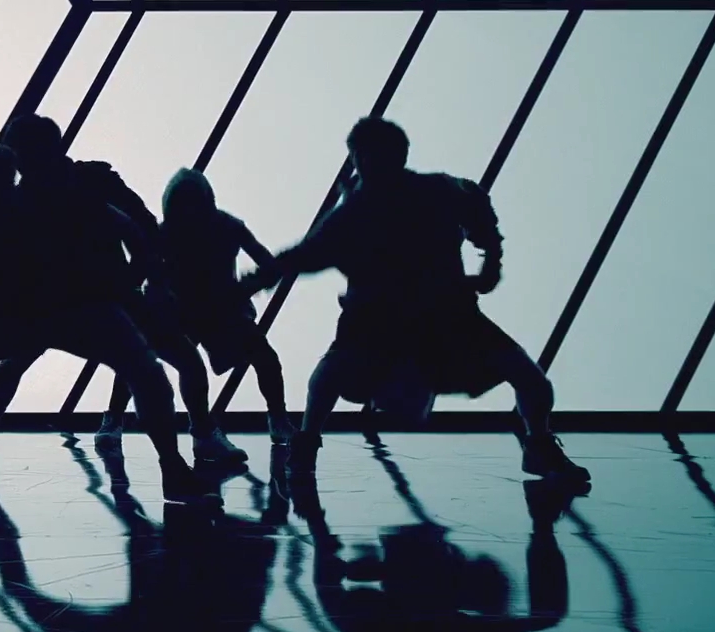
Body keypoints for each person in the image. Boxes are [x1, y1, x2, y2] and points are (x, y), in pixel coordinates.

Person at [244, 117, 589, 487]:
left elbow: (305, 255)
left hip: (393, 317)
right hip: (439, 314)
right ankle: (538, 444)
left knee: (330, 375)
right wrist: (491, 260)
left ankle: (306, 443)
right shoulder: (434, 192)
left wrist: (256, 280)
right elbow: (478, 207)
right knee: (528, 379)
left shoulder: (362, 209)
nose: (366, 164)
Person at [0, 141, 211, 509]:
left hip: (13, 314)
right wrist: (127, 286)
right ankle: (172, 467)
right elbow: (126, 228)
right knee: (147, 373)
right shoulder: (45, 203)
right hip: (64, 308)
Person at [0, 116, 244, 470]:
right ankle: (197, 439)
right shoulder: (92, 181)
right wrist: (143, 278)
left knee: (14, 364)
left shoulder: (26, 196)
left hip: (58, 299)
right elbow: (141, 223)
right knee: (183, 361)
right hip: (101, 296)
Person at [94, 168, 292, 446]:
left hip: (187, 310)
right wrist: (250, 285)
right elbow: (269, 265)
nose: (190, 212)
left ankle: (115, 419)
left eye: (193, 203)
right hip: (216, 310)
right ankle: (274, 419)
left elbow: (142, 270)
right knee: (263, 357)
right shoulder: (227, 227)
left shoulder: (166, 233)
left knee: (139, 358)